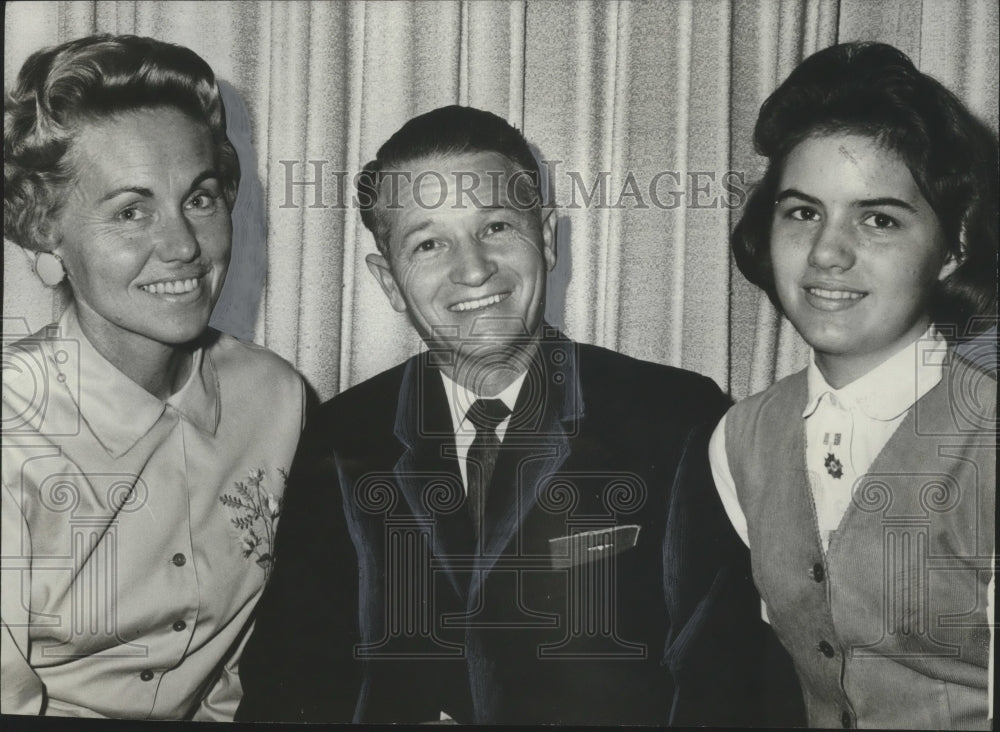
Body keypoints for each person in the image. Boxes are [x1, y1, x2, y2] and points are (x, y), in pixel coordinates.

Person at [237, 105, 782, 725]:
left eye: (495, 227)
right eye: (429, 242)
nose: (472, 269)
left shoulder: (678, 419)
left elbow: (725, 680)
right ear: (389, 280)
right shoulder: (338, 438)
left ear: (546, 237)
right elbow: (287, 683)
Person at [1, 35, 304, 719]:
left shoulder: (278, 400)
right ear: (45, 237)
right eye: (131, 211)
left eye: (199, 199)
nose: (182, 246)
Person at [711, 42, 997, 729]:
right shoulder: (740, 440)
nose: (828, 253)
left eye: (879, 219)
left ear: (953, 244)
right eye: (803, 212)